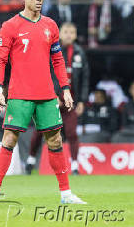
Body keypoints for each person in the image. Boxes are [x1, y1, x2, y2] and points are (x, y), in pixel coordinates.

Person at [0, 0, 86, 205]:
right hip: (20, 93)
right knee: (9, 139)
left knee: (55, 141)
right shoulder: (10, 26)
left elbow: (59, 61)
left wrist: (65, 89)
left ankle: (65, 194)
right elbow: (0, 60)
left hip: (46, 94)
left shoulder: (51, 26)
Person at [25, 22, 90, 175]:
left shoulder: (79, 53)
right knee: (40, 131)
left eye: (72, 32)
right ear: (59, 33)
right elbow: (43, 73)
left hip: (70, 101)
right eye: (66, 31)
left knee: (72, 133)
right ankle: (30, 161)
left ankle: (74, 165)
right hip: (49, 99)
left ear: (75, 35)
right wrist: (53, 94)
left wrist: (82, 100)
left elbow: (85, 79)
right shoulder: (50, 50)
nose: (69, 35)